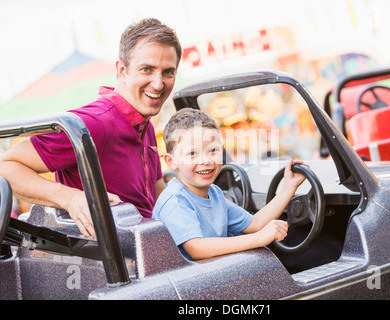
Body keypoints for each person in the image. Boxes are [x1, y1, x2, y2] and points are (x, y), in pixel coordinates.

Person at [0, 18, 182, 237]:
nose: (158, 83)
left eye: (168, 72)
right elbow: (5, 167)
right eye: (147, 69)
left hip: (152, 249)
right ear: (122, 70)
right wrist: (71, 198)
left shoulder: (145, 125)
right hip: (108, 263)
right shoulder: (94, 123)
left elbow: (157, 196)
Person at [152, 108, 307, 260]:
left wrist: (289, 187)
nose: (206, 160)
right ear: (171, 161)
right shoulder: (175, 201)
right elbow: (196, 248)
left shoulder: (215, 193)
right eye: (192, 153)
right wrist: (259, 238)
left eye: (212, 150)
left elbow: (255, 223)